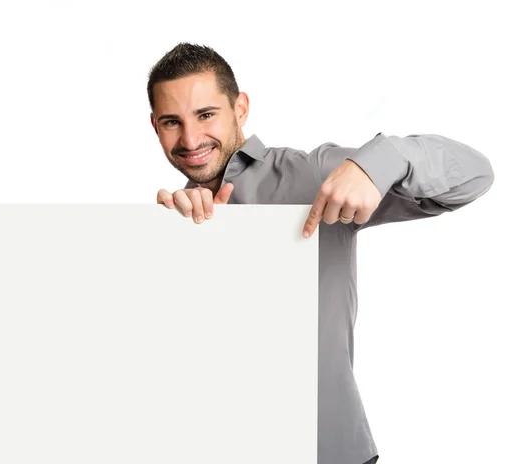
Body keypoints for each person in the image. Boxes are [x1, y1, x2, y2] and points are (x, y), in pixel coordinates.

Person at [147, 43, 494, 464]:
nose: (190, 139)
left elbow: (476, 174)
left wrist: (380, 162)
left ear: (240, 109)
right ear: (155, 126)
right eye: (171, 121)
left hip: (328, 452)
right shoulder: (167, 223)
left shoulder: (311, 176)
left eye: (206, 115)